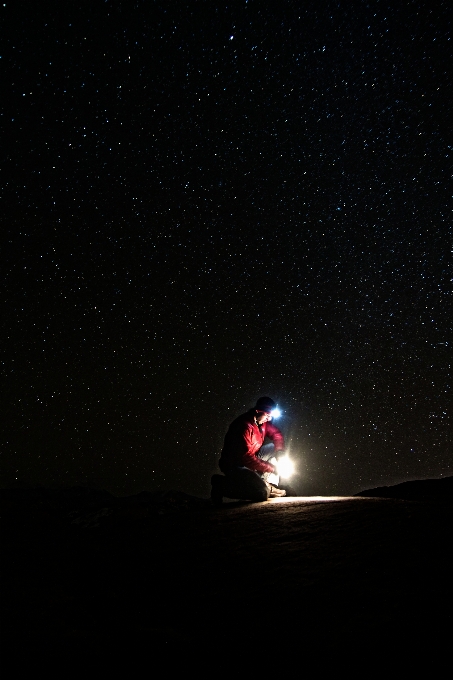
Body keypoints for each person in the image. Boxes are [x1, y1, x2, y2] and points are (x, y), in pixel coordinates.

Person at [211, 397, 287, 505]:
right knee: (261, 493)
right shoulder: (243, 426)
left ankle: (268, 484)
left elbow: (276, 434)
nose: (269, 419)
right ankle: (221, 485)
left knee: (272, 447)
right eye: (268, 415)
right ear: (258, 411)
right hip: (236, 465)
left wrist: (280, 452)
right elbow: (245, 458)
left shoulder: (262, 422)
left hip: (251, 458)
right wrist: (271, 468)